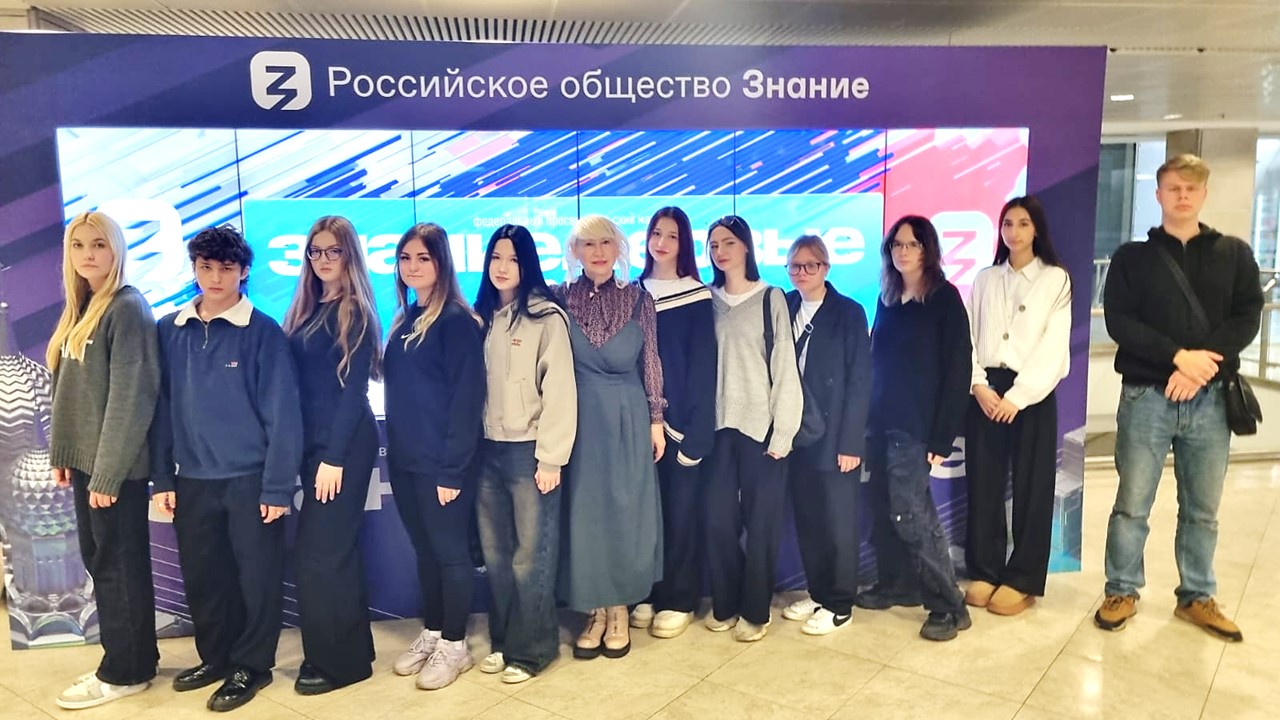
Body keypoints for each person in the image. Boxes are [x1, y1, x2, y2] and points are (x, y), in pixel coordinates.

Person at [1096, 154, 1263, 641]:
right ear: (1159, 194)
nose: (1183, 196)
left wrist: (1200, 365)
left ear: (1204, 194)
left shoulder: (1234, 253)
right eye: (1174, 188)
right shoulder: (1132, 258)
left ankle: (1196, 595)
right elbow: (1120, 320)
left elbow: (1247, 315)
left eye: (1191, 188)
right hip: (1146, 396)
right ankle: (1121, 589)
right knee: (1132, 503)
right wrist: (1177, 358)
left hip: (1210, 399)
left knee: (1202, 509)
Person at [151, 225, 303, 712]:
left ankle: (251, 666)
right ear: (194, 270)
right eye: (206, 267)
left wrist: (277, 488)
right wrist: (162, 477)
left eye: (227, 268)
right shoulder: (169, 329)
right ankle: (215, 658)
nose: (216, 277)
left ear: (244, 272)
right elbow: (160, 408)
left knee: (257, 580)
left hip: (251, 481)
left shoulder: (263, 332)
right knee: (204, 578)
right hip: (192, 480)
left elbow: (283, 415)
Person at [49, 211, 161, 710]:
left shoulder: (127, 308)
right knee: (104, 564)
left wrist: (108, 473)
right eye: (78, 245)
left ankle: (125, 671)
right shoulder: (83, 307)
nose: (88, 254)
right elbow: (71, 394)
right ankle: (131, 658)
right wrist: (65, 454)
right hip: (88, 465)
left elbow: (131, 400)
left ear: (116, 250)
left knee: (119, 566)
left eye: (98, 244)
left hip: (114, 471)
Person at [553, 214, 665, 660]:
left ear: (618, 248)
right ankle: (595, 610)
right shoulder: (559, 298)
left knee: (624, 511)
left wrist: (656, 418)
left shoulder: (640, 299)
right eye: (588, 244)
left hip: (627, 417)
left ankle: (619, 609)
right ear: (575, 252)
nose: (598, 252)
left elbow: (651, 360)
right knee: (585, 515)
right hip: (578, 419)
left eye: (605, 242)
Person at [383, 223, 486, 689]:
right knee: (425, 551)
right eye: (405, 258)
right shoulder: (406, 318)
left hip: (443, 464)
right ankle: (434, 630)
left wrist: (452, 469)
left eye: (423, 258)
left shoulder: (457, 322)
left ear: (441, 262)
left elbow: (466, 401)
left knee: (450, 554)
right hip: (406, 461)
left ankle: (455, 645)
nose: (412, 266)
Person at [473, 224, 577, 684]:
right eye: (496, 257)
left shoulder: (545, 317)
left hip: (529, 451)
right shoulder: (478, 317)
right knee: (496, 557)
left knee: (530, 557)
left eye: (513, 259)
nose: (502, 267)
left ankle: (533, 651)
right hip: (485, 450)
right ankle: (503, 641)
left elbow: (560, 391)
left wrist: (551, 457)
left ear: (527, 264)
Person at [282, 216, 382, 694]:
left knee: (320, 556)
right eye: (315, 251)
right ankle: (352, 652)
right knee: (335, 553)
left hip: (342, 447)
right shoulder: (305, 307)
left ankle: (340, 664)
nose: (323, 260)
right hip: (313, 447)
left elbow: (353, 393)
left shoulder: (355, 310)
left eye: (333, 251)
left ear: (349, 255)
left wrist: (334, 458)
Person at [861, 215, 973, 642]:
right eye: (897, 245)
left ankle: (949, 605)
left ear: (928, 250)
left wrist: (942, 435)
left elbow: (958, 369)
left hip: (916, 428)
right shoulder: (887, 298)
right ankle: (897, 585)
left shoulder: (944, 299)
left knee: (912, 516)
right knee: (886, 510)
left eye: (912, 244)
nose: (903, 251)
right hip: (881, 424)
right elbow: (877, 358)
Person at [963, 197, 1072, 617]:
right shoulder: (986, 278)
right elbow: (968, 337)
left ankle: (1023, 577)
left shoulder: (1055, 279)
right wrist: (977, 384)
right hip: (986, 390)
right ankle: (985, 570)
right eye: (1007, 223)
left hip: (1033, 393)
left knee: (1032, 485)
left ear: (1036, 229)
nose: (1014, 231)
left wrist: (1019, 396)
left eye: (1023, 223)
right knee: (984, 484)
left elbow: (1053, 346)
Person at [704, 215, 804, 643]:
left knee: (762, 525)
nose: (720, 251)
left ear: (746, 245)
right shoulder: (705, 298)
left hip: (760, 428)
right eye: (713, 245)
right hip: (715, 429)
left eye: (728, 242)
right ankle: (726, 602)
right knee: (718, 522)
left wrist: (783, 433)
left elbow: (785, 366)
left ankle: (755, 609)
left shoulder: (771, 298)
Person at [630, 207, 718, 640]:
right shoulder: (631, 292)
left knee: (681, 514)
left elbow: (703, 370)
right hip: (636, 425)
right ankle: (646, 591)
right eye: (655, 233)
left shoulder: (696, 296)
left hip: (681, 427)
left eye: (672, 236)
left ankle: (679, 599)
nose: (661, 243)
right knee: (645, 516)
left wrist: (695, 434)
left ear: (685, 243)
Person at [778, 235, 871, 636]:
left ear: (826, 268)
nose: (802, 273)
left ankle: (840, 603)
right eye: (795, 266)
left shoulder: (848, 312)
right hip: (795, 433)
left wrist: (851, 443)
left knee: (838, 522)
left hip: (834, 435)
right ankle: (818, 593)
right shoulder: (784, 305)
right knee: (809, 519)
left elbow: (860, 380)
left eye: (810, 265)